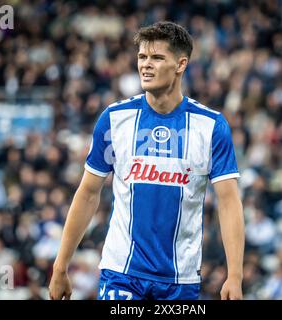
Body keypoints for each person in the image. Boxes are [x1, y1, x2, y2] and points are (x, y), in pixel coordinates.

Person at [49, 21, 244, 300]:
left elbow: (228, 202)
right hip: (121, 274)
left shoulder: (210, 126)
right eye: (142, 57)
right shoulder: (115, 119)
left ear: (180, 64)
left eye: (157, 57)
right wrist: (60, 266)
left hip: (181, 279)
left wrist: (235, 276)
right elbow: (88, 193)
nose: (146, 65)